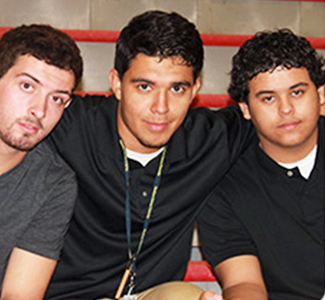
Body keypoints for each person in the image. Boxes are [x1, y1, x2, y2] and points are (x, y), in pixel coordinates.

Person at [43, 10, 254, 300]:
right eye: (145, 86)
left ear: (195, 90)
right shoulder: (72, 123)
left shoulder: (209, 139)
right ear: (116, 83)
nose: (161, 107)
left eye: (177, 88)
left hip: (152, 294)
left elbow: (295, 112)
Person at [198, 29, 325, 300]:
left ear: (320, 94)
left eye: (297, 92)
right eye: (268, 98)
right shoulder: (223, 185)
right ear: (245, 109)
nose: (286, 109)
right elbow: (244, 283)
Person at [0, 24, 83, 300]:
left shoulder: (54, 183)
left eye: (57, 99)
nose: (39, 110)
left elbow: (20, 294)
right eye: (27, 86)